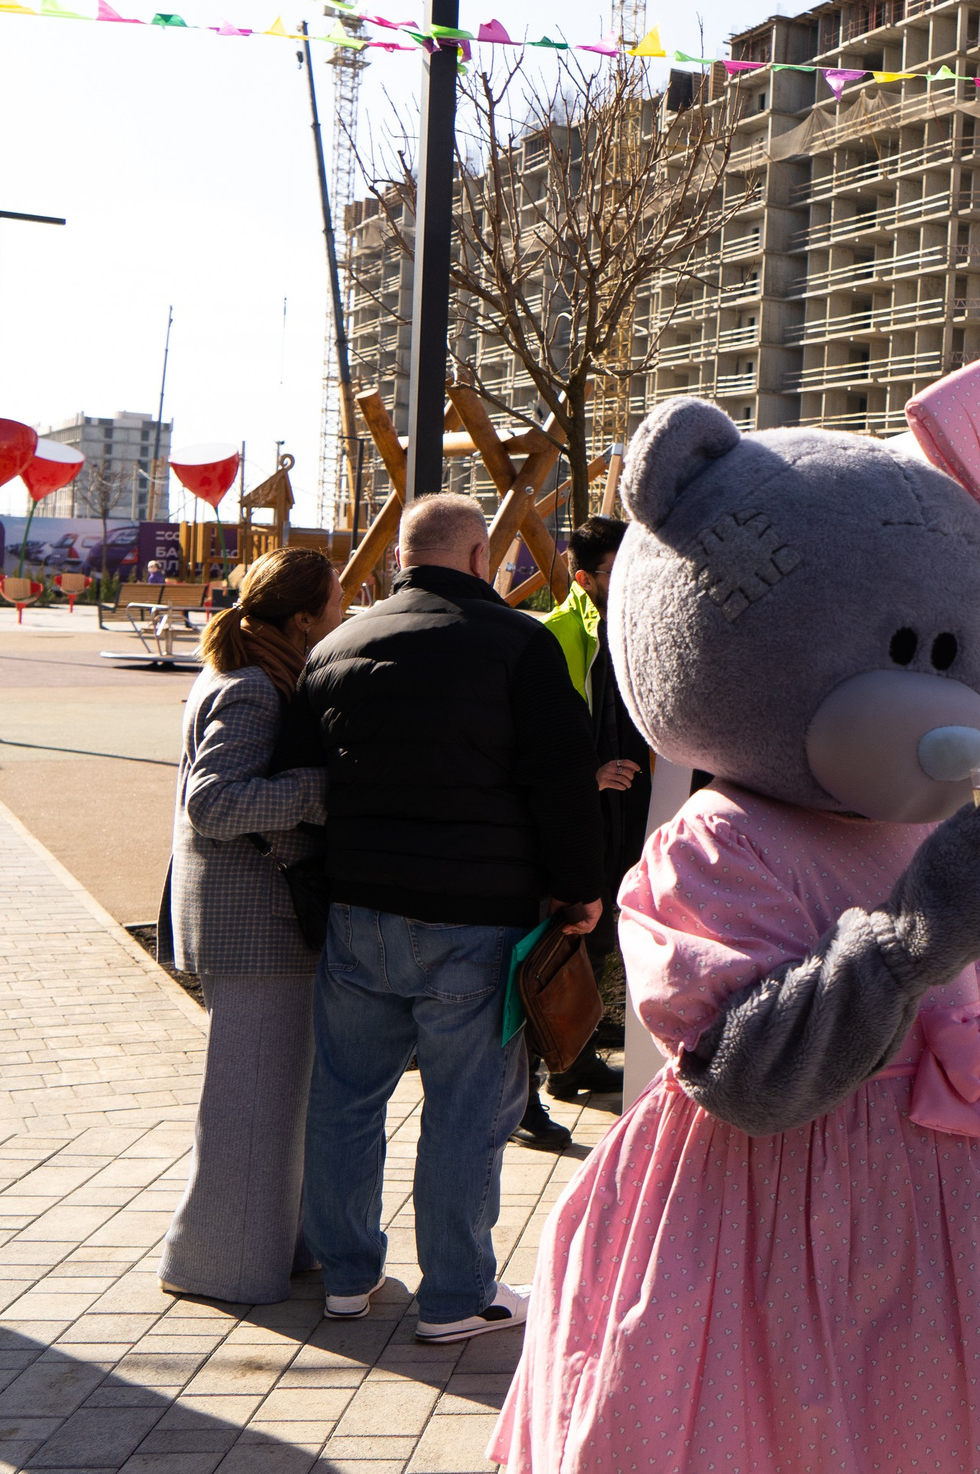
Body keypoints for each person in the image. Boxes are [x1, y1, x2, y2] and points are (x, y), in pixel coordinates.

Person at [286, 493, 604, 1345]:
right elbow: (561, 780)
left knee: (347, 1096)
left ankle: (347, 1276)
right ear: (475, 558)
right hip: (477, 918)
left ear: (400, 557)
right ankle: (457, 1295)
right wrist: (579, 892)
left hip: (357, 908)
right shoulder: (518, 645)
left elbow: (298, 777)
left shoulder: (337, 645)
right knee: (467, 1109)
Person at [159, 547, 341, 1305]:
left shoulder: (241, 673)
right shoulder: (256, 691)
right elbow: (217, 802)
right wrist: (318, 790)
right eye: (337, 601)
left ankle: (275, 1246)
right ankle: (219, 1263)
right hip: (256, 923)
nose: (345, 611)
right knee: (252, 1103)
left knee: (272, 1098)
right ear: (302, 618)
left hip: (243, 917)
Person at [536, 514, 652, 1105]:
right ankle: (535, 1082)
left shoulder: (626, 626)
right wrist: (591, 775)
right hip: (581, 813)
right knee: (563, 941)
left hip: (621, 813)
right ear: (583, 577)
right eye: (614, 568)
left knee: (599, 935)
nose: (629, 575)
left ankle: (572, 1062)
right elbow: (537, 739)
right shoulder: (559, 632)